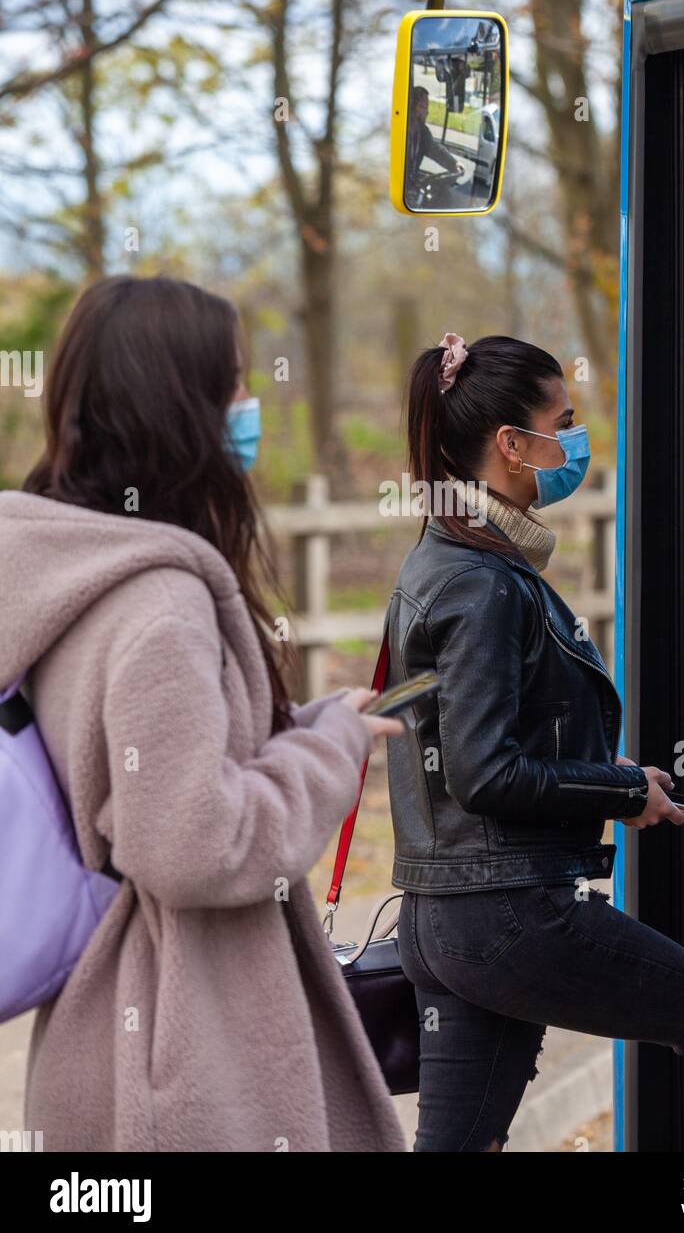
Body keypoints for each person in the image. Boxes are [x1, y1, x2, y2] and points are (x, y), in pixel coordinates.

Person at [0, 274, 406, 1153]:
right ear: (178, 406)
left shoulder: (65, 572)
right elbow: (193, 843)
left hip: (103, 1043)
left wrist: (286, 736)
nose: (248, 405)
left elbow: (142, 775)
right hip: (187, 1059)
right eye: (232, 383)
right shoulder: (159, 606)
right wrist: (328, 752)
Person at [386, 331, 684, 1153]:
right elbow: (486, 772)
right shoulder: (483, 583)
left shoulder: (444, 558)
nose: (576, 440)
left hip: (444, 915)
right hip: (507, 911)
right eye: (564, 421)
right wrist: (623, 793)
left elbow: (480, 750)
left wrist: (610, 774)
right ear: (513, 445)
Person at [405, 85, 464, 202]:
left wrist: (454, 163)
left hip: (411, 189)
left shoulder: (422, 132)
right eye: (422, 107)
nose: (427, 112)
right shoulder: (401, 131)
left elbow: (436, 150)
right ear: (411, 107)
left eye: (427, 108)